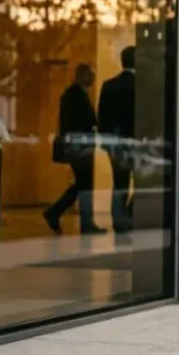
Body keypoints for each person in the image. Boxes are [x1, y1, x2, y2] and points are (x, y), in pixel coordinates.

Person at [44, 64, 104, 235]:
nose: (93, 78)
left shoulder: (73, 94)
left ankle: (55, 212)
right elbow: (79, 121)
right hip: (79, 147)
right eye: (91, 75)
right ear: (82, 75)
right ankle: (82, 222)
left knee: (82, 184)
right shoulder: (75, 95)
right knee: (85, 185)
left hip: (78, 146)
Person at [98, 46, 137, 243]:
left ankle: (118, 222)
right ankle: (128, 217)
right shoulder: (142, 86)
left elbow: (102, 117)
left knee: (119, 184)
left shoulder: (109, 85)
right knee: (142, 183)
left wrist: (106, 143)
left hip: (115, 143)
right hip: (136, 143)